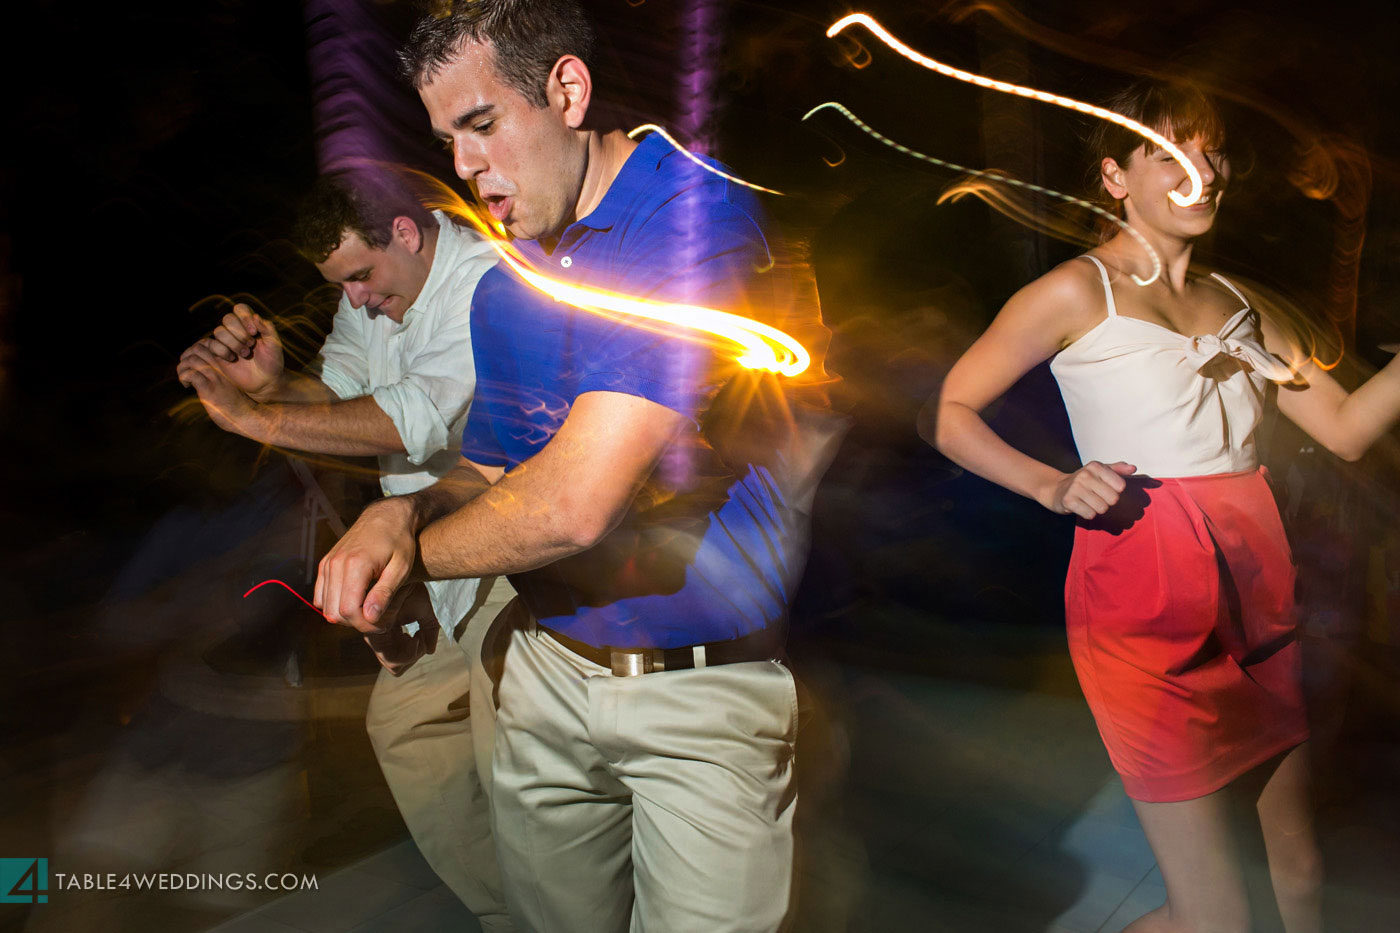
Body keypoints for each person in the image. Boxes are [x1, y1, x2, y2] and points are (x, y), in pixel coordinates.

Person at [312, 1, 832, 929]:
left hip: (698, 693)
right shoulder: (509, 284)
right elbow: (490, 473)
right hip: (543, 675)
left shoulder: (690, 221)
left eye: (482, 125)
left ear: (566, 90)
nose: (465, 169)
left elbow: (572, 504)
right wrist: (405, 511)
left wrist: (405, 566)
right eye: (448, 139)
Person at [928, 77, 1400, 932]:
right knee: (1217, 915)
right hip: (1142, 599)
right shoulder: (1077, 291)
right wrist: (1052, 482)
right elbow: (951, 412)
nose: (1205, 172)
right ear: (1115, 177)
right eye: (1173, 153)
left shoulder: (1241, 304)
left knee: (1297, 871)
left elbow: (1345, 428)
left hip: (1257, 588)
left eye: (1213, 152)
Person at [176, 172, 515, 931]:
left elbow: (410, 422)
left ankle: (558, 906)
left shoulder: (485, 283)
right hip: (428, 553)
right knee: (406, 724)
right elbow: (340, 394)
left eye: (360, 276)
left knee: (508, 754)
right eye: (342, 285)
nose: (356, 298)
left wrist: (253, 421)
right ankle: (507, 909)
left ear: (406, 229)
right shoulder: (369, 293)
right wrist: (272, 389)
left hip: (507, 546)